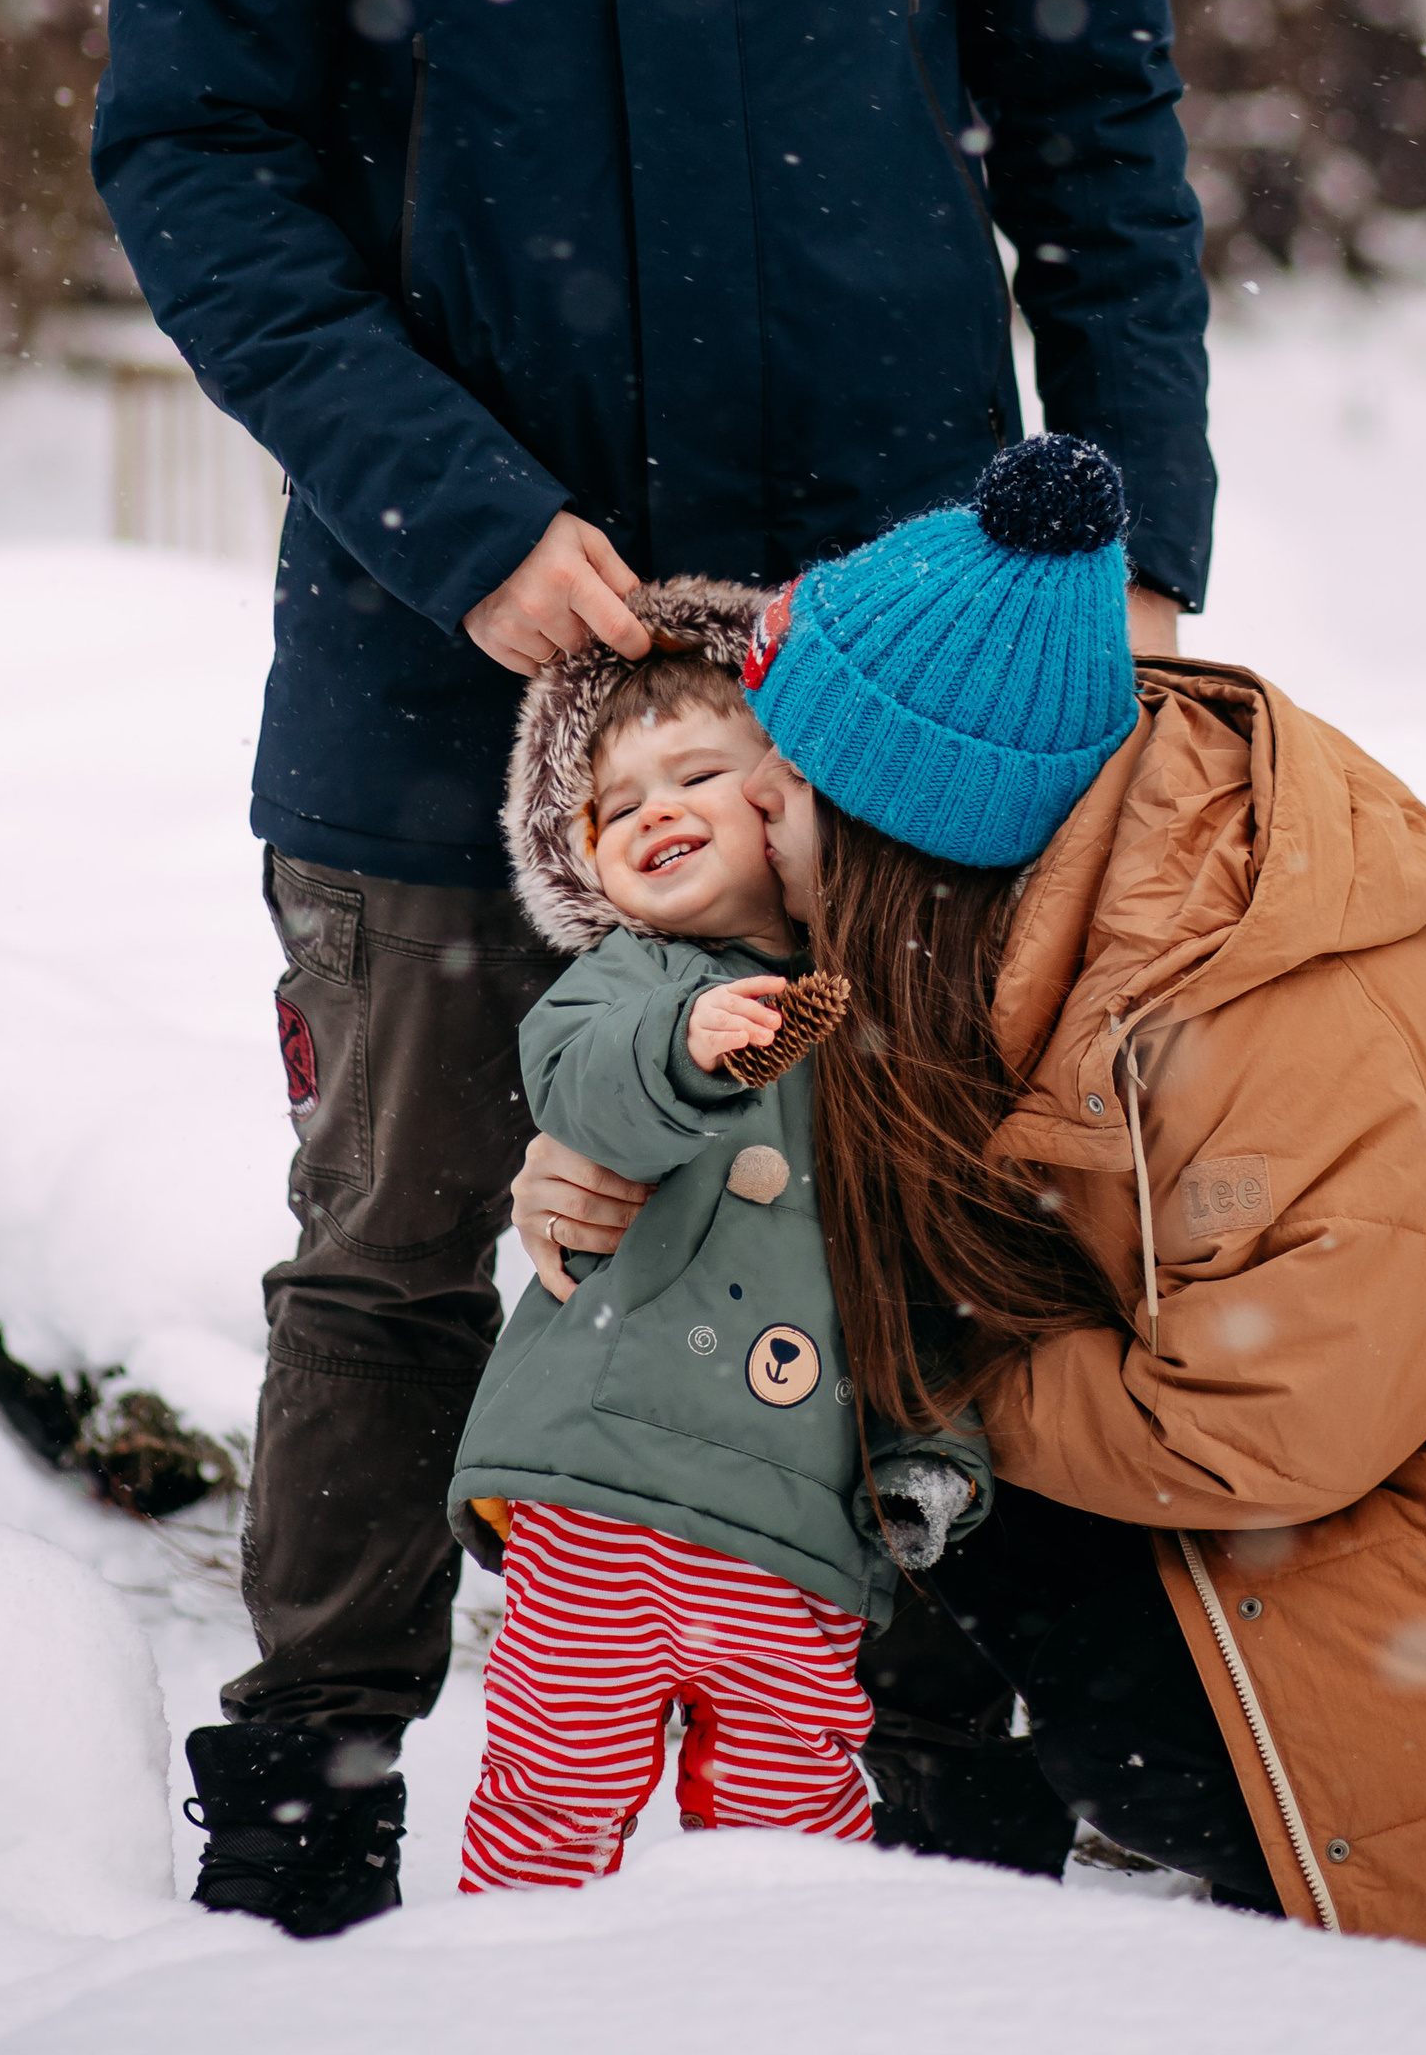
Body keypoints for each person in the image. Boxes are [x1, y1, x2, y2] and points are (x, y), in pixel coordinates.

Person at [93, 0, 1210, 1930]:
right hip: (431, 645)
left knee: (922, 1225)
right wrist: (453, 514)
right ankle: (322, 1783)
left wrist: (1137, 556)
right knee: (406, 1238)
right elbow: (188, 151)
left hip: (891, 640)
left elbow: (1096, 120)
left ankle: (934, 1776)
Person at [524, 431, 1426, 1984]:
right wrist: (613, 1151)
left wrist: (942, 1379)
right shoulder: (1030, 896)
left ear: (902, 834)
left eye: (778, 794)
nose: (743, 829)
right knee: (955, 1456)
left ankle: (1265, 1867)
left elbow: (1267, 1429)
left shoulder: (1270, 1022)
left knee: (1062, 1615)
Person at [450, 576, 985, 1891]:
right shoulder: (629, 983)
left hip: (794, 1529)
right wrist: (682, 1047)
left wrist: (929, 1452)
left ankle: (773, 2003)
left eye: (695, 774)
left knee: (794, 1811)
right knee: (556, 1790)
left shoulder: (889, 1031)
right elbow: (580, 1083)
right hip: (602, 1495)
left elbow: (923, 1280)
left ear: (788, 798)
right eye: (617, 805)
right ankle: (502, 1992)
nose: (655, 812)